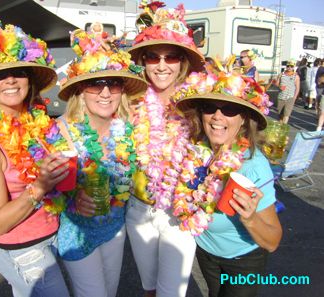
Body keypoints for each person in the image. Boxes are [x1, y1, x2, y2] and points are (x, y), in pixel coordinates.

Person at [0, 24, 70, 297]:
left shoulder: (35, 121)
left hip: (52, 235)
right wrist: (40, 187)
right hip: (24, 251)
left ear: (29, 79)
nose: (10, 80)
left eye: (18, 72)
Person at [173, 66, 282, 297]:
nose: (218, 116)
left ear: (243, 120)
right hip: (206, 253)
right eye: (210, 107)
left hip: (243, 261)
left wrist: (250, 217)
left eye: (230, 109)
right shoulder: (197, 151)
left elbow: (273, 241)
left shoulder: (253, 165)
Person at [56, 26, 147, 297]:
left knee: (110, 291)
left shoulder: (129, 127)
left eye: (114, 83)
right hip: (77, 233)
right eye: (95, 83)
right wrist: (71, 197)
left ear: (122, 91)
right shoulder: (63, 130)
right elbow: (45, 187)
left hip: (115, 229)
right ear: (80, 91)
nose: (105, 92)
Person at [126, 2, 205, 297]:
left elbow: (229, 131)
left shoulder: (197, 101)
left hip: (178, 212)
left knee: (170, 293)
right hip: (137, 209)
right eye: (153, 57)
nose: (161, 65)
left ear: (182, 60)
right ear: (143, 61)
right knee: (149, 288)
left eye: (170, 56)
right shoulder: (130, 99)